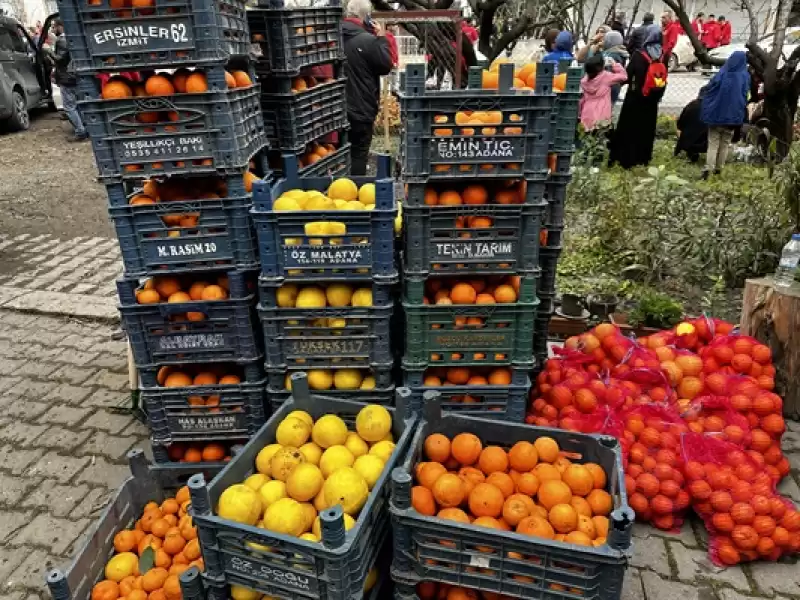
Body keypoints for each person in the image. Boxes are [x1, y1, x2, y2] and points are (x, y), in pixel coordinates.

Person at [342, 0, 394, 175]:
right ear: (367, 17)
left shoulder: (333, 36)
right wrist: (381, 38)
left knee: (336, 153)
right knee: (358, 153)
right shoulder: (369, 41)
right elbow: (385, 65)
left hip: (332, 108)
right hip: (360, 107)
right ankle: (353, 191)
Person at [609, 25, 665, 168]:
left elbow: (627, 76)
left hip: (634, 99)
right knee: (646, 129)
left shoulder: (639, 55)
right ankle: (643, 158)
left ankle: (626, 159)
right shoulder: (663, 55)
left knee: (630, 128)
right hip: (651, 100)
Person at [700, 51, 749, 177]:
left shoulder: (722, 73)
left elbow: (710, 88)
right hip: (733, 117)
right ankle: (719, 168)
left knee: (713, 142)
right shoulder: (744, 76)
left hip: (716, 114)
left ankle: (708, 168)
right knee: (725, 143)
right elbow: (744, 96)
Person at [50, 19, 87, 142]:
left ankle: (80, 131)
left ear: (60, 27)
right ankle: (85, 128)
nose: (52, 29)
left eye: (54, 27)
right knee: (79, 105)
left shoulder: (61, 40)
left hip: (66, 78)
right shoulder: (76, 37)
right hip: (76, 75)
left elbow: (60, 59)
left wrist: (48, 51)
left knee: (69, 107)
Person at [579, 53, 628, 131]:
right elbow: (624, 76)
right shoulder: (606, 77)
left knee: (586, 138)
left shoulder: (584, 81)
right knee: (600, 138)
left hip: (587, 112)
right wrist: (614, 64)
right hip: (602, 113)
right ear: (601, 67)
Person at [674, 86, 708, 163]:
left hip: (687, 142)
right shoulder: (713, 107)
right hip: (705, 144)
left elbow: (680, 124)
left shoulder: (691, 105)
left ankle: (683, 151)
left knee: (686, 131)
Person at [602, 30, 629, 104]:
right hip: (615, 86)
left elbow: (608, 72)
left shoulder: (612, 55)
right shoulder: (619, 52)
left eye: (605, 39)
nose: (603, 41)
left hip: (609, 88)